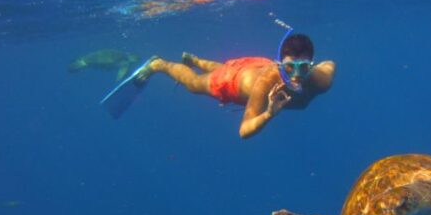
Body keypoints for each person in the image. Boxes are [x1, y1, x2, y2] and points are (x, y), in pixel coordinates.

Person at [101, 32, 335, 139]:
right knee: (194, 84)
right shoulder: (264, 84)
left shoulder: (321, 79)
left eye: (303, 68)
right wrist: (268, 114)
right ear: (279, 64)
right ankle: (159, 64)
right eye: (289, 68)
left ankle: (196, 61)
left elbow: (330, 64)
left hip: (253, 65)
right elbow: (244, 131)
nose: (296, 76)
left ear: (311, 65)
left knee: (224, 66)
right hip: (232, 82)